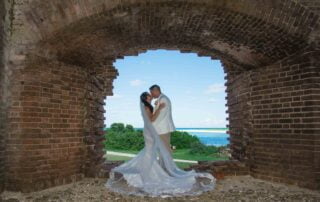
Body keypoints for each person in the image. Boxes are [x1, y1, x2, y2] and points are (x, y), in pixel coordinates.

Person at [105, 91, 216, 198]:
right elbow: (152, 119)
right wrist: (160, 109)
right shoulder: (147, 107)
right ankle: (147, 173)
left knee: (149, 151)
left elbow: (150, 115)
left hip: (148, 130)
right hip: (149, 131)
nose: (151, 96)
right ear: (145, 98)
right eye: (149, 96)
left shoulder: (147, 105)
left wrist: (157, 104)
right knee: (149, 151)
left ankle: (147, 171)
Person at [149, 85, 175, 154]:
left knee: (165, 150)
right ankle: (164, 164)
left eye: (152, 92)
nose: (151, 94)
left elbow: (160, 116)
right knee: (162, 150)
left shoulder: (163, 99)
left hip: (162, 129)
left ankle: (167, 165)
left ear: (156, 90)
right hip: (161, 129)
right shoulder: (161, 99)